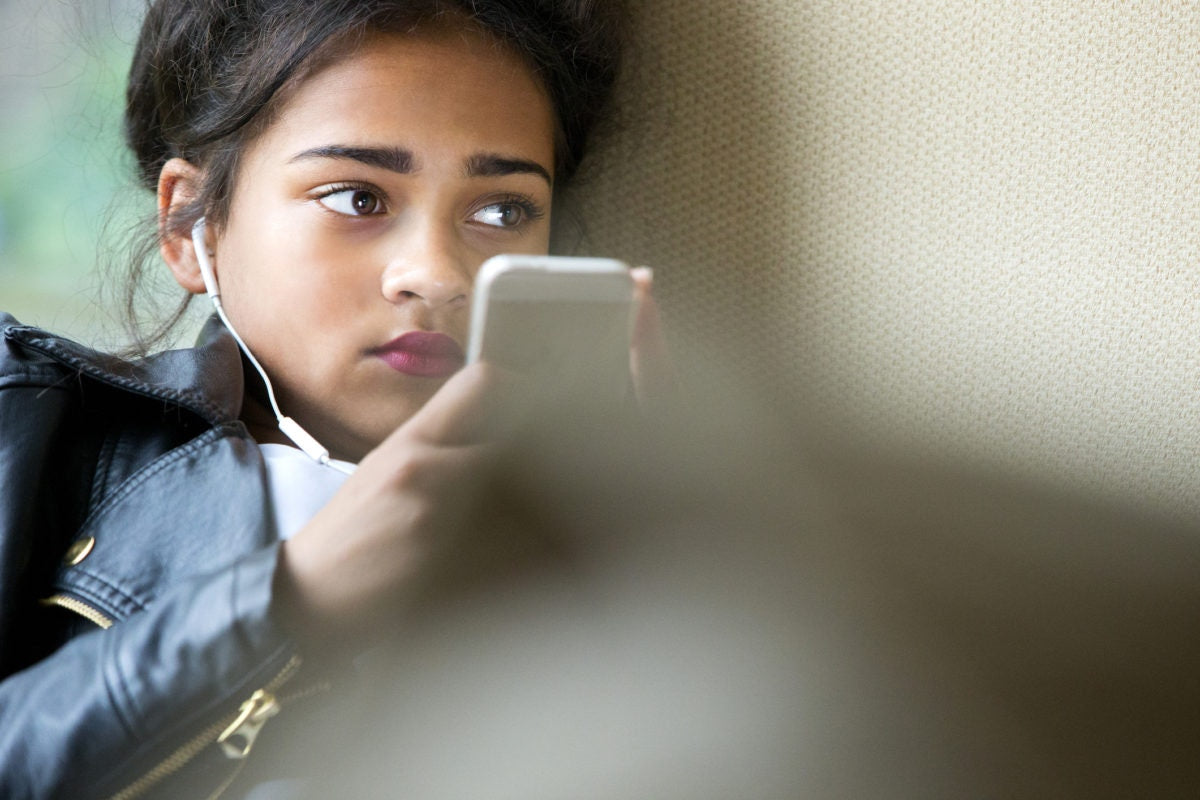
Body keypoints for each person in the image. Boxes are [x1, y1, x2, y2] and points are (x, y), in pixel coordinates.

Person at [0, 1, 651, 797]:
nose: (437, 273)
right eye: (357, 198)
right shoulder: (31, 420)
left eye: (501, 211)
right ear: (188, 227)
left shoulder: (594, 526)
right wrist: (291, 596)